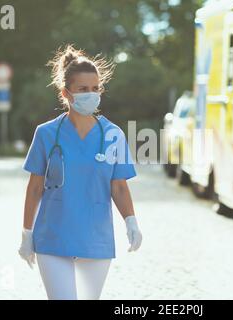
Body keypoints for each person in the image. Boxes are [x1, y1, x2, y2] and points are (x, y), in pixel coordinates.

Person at [18, 44, 142, 300]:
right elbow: (34, 187)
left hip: (96, 241)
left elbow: (118, 186)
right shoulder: (46, 134)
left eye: (95, 89)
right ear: (67, 93)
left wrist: (131, 221)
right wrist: (26, 233)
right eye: (83, 89)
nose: (91, 94)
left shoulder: (113, 135)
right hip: (53, 239)